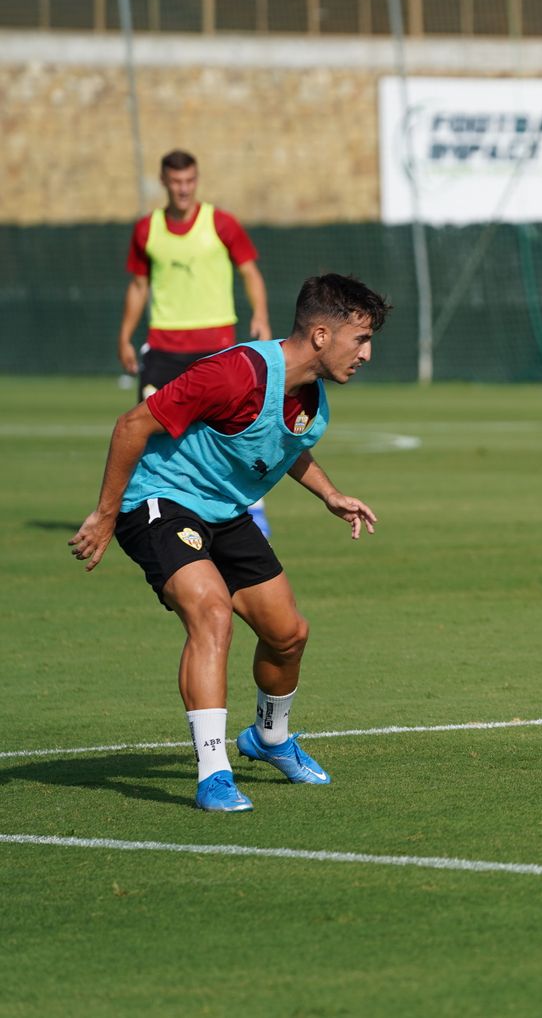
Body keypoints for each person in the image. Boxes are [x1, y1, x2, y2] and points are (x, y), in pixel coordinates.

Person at [70, 274, 392, 812]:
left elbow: (280, 446)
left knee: (287, 634)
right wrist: (105, 515)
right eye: (359, 339)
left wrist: (329, 494)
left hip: (224, 511)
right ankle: (214, 772)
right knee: (211, 613)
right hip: (159, 502)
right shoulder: (235, 372)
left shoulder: (310, 398)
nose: (367, 353)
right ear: (319, 335)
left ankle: (268, 738)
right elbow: (132, 425)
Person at [120, 149, 277, 534]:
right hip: (163, 347)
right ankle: (143, 507)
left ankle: (252, 508)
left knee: (233, 430)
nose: (183, 189)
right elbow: (139, 286)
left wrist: (260, 315)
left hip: (216, 344)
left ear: (197, 180)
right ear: (164, 182)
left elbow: (251, 273)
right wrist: (125, 335)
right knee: (146, 430)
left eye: (189, 181)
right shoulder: (147, 229)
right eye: (176, 182)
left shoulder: (220, 223)